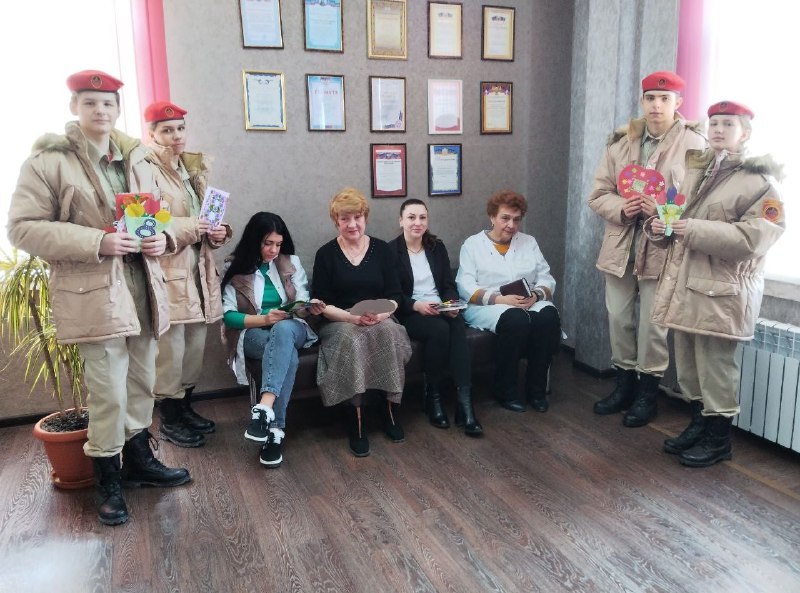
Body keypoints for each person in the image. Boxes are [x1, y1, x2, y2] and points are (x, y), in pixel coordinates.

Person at [7, 70, 190, 526]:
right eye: (90, 102)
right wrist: (97, 241)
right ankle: (107, 478)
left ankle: (138, 462)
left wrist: (161, 238)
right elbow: (22, 228)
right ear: (74, 107)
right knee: (108, 390)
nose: (100, 111)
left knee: (142, 380)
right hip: (94, 293)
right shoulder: (49, 162)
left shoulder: (138, 158)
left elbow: (155, 217)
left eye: (108, 103)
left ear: (118, 110)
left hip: (143, 288)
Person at [647, 101, 785, 467]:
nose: (718, 129)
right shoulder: (698, 171)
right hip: (687, 287)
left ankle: (719, 440)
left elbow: (755, 239)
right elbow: (677, 221)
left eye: (728, 124)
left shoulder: (761, 183)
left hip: (722, 293)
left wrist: (690, 228)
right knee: (690, 369)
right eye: (714, 123)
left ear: (746, 133)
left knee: (716, 370)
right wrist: (661, 227)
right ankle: (699, 425)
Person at [588, 70, 707, 427]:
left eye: (665, 99)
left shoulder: (696, 146)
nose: (657, 105)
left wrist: (663, 211)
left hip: (662, 246)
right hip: (620, 245)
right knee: (619, 318)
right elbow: (598, 194)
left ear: (678, 102)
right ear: (642, 101)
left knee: (653, 326)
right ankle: (623, 386)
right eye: (651, 98)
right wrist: (622, 208)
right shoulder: (620, 144)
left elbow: (700, 204)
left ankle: (647, 395)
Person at [144, 101, 232, 448]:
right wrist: (197, 226)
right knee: (170, 354)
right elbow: (147, 226)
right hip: (169, 276)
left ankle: (184, 410)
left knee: (194, 350)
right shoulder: (145, 170)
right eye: (167, 130)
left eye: (180, 128)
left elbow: (206, 221)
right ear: (152, 133)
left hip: (199, 273)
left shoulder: (190, 168)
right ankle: (168, 420)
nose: (176, 135)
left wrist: (220, 231)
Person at [311, 188, 412, 457]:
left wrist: (381, 314)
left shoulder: (382, 250)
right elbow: (322, 304)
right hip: (340, 321)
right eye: (345, 218)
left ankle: (390, 409)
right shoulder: (325, 254)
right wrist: (351, 317)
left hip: (379, 316)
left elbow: (395, 295)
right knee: (353, 337)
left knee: (389, 332)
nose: (352, 224)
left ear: (365, 217)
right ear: (336, 221)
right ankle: (356, 417)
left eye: (357, 217)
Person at [221, 212, 325, 468]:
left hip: (292, 327)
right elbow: (228, 316)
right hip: (253, 332)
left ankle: (263, 409)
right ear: (254, 241)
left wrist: (308, 307)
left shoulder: (291, 262)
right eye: (268, 243)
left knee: (284, 331)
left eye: (278, 244)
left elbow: (300, 302)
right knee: (285, 352)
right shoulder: (234, 267)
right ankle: (275, 431)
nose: (274, 250)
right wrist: (265, 319)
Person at [456, 190, 561, 413]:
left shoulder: (529, 242)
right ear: (492, 217)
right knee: (516, 320)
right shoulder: (472, 245)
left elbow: (546, 277)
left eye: (516, 219)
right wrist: (500, 299)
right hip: (487, 305)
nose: (511, 225)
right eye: (505, 218)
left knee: (548, 317)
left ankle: (536, 391)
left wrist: (536, 296)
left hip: (527, 300)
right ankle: (506, 390)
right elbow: (465, 285)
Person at [389, 199, 483, 436]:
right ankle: (434, 398)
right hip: (410, 312)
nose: (417, 223)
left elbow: (448, 285)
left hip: (439, 308)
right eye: (411, 217)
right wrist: (416, 305)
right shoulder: (390, 251)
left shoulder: (435, 247)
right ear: (401, 221)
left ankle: (464, 402)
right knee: (440, 329)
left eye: (422, 217)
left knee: (456, 323)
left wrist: (450, 304)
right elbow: (392, 293)